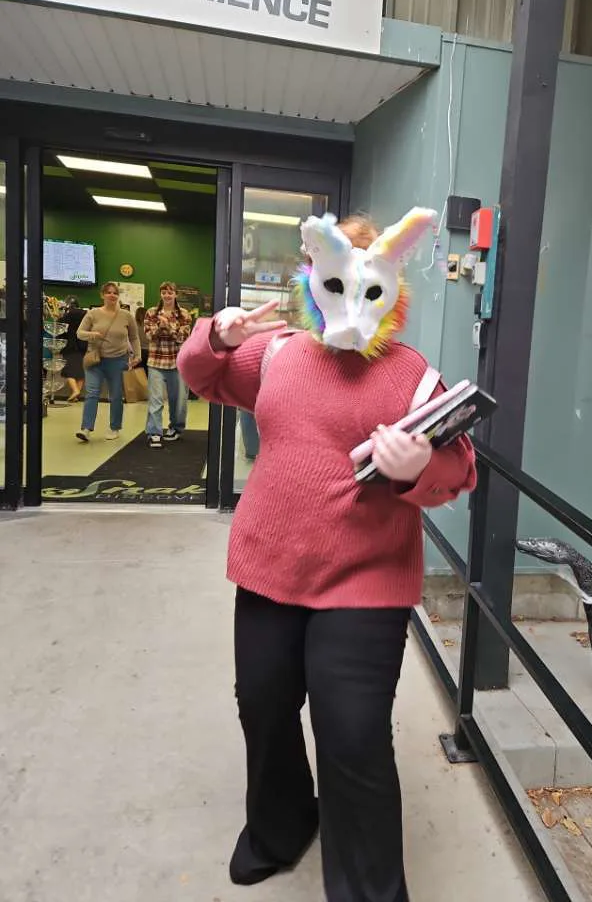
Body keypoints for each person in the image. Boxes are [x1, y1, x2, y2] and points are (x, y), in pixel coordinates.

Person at [177, 207, 477, 902]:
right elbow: (202, 376)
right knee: (263, 707)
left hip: (365, 582)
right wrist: (215, 335)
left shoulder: (413, 375)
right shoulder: (278, 353)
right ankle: (280, 827)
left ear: (392, 288)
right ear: (312, 280)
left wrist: (415, 467)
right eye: (335, 285)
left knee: (353, 736)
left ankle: (369, 890)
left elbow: (459, 471)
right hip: (269, 569)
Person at [75, 281, 140, 442]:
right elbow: (79, 333)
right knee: (92, 393)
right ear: (102, 295)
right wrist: (92, 335)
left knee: (116, 395)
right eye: (108, 292)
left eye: (115, 293)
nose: (112, 295)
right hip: (95, 360)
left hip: (118, 361)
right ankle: (86, 428)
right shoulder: (93, 313)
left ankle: (114, 427)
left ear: (118, 296)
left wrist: (137, 355)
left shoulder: (126, 316)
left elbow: (134, 337)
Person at [144, 281, 192, 449]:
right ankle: (154, 432)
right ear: (161, 294)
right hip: (156, 361)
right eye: (164, 292)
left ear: (176, 294)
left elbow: (183, 338)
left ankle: (176, 428)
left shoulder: (184, 314)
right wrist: (159, 327)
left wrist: (169, 327)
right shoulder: (151, 312)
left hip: (177, 362)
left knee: (178, 401)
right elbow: (149, 336)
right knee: (155, 400)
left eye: (170, 292)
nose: (167, 295)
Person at [59, 296, 87, 402]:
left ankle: (75, 390)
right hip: (84, 345)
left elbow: (60, 329)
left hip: (70, 346)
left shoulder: (67, 315)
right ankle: (76, 395)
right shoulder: (86, 314)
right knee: (80, 372)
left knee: (68, 370)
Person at [135, 306, 149, 373]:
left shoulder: (134, 324)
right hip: (149, 350)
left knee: (139, 372)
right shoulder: (149, 324)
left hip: (138, 351)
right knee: (148, 372)